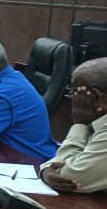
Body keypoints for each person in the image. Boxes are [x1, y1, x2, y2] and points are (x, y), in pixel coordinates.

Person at [41, 58, 107, 193]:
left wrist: (80, 124)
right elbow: (59, 165)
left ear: (96, 96)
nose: (71, 97)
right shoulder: (98, 119)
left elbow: (72, 178)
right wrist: (46, 171)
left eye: (74, 91)